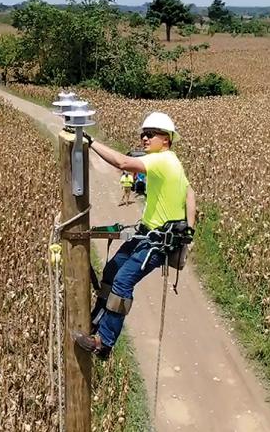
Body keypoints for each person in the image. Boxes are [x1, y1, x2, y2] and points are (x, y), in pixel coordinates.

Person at [73, 112, 196, 359]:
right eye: (143, 133)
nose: (144, 138)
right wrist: (189, 232)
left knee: (122, 282)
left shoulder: (163, 161)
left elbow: (122, 163)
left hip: (156, 242)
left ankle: (104, 342)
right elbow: (190, 193)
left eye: (151, 134)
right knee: (110, 272)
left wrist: (90, 141)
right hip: (146, 234)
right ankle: (96, 323)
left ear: (167, 139)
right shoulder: (172, 162)